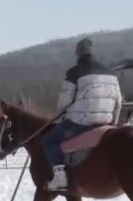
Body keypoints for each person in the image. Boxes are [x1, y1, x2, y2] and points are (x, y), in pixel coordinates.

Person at [41, 38, 123, 191]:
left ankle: (60, 179)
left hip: (80, 123)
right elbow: (119, 101)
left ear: (78, 54)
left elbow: (64, 102)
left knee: (48, 141)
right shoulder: (111, 73)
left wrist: (61, 114)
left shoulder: (74, 72)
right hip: (106, 122)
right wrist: (112, 124)